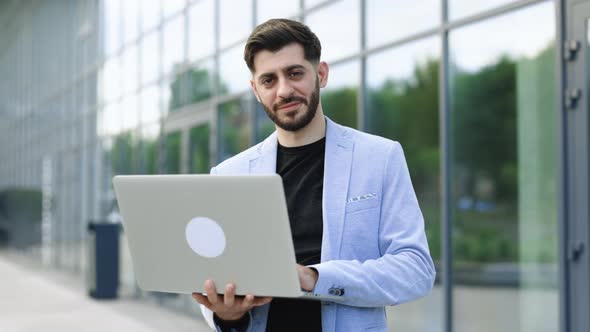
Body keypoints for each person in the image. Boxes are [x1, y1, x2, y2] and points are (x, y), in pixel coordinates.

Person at [192, 18, 435, 332]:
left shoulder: (379, 157)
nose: (284, 90)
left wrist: (314, 278)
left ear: (320, 74)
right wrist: (227, 315)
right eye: (269, 80)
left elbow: (415, 270)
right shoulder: (228, 175)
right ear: (256, 90)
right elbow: (215, 274)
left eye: (294, 73)